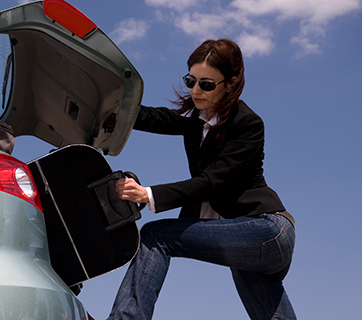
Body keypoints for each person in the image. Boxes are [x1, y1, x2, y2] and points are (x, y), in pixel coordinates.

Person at [108, 39, 296, 320]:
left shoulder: (247, 124)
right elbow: (150, 118)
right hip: (244, 241)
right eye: (190, 81)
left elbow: (211, 182)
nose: (196, 91)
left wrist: (147, 194)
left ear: (230, 84)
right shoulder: (195, 119)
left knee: (156, 236)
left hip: (268, 231)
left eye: (206, 84)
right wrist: (106, 104)